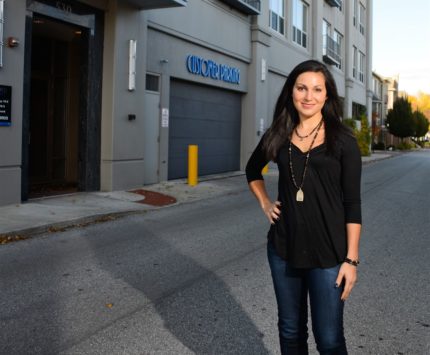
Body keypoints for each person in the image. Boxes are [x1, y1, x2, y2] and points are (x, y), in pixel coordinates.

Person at [245, 60, 362, 355]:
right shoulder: (279, 134)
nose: (308, 96)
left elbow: (352, 203)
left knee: (330, 339)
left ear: (327, 96)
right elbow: (252, 170)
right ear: (292, 92)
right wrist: (266, 203)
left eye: (316, 89)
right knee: (290, 331)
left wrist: (351, 260)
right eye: (302, 88)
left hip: (329, 255)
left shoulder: (344, 141)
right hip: (283, 249)